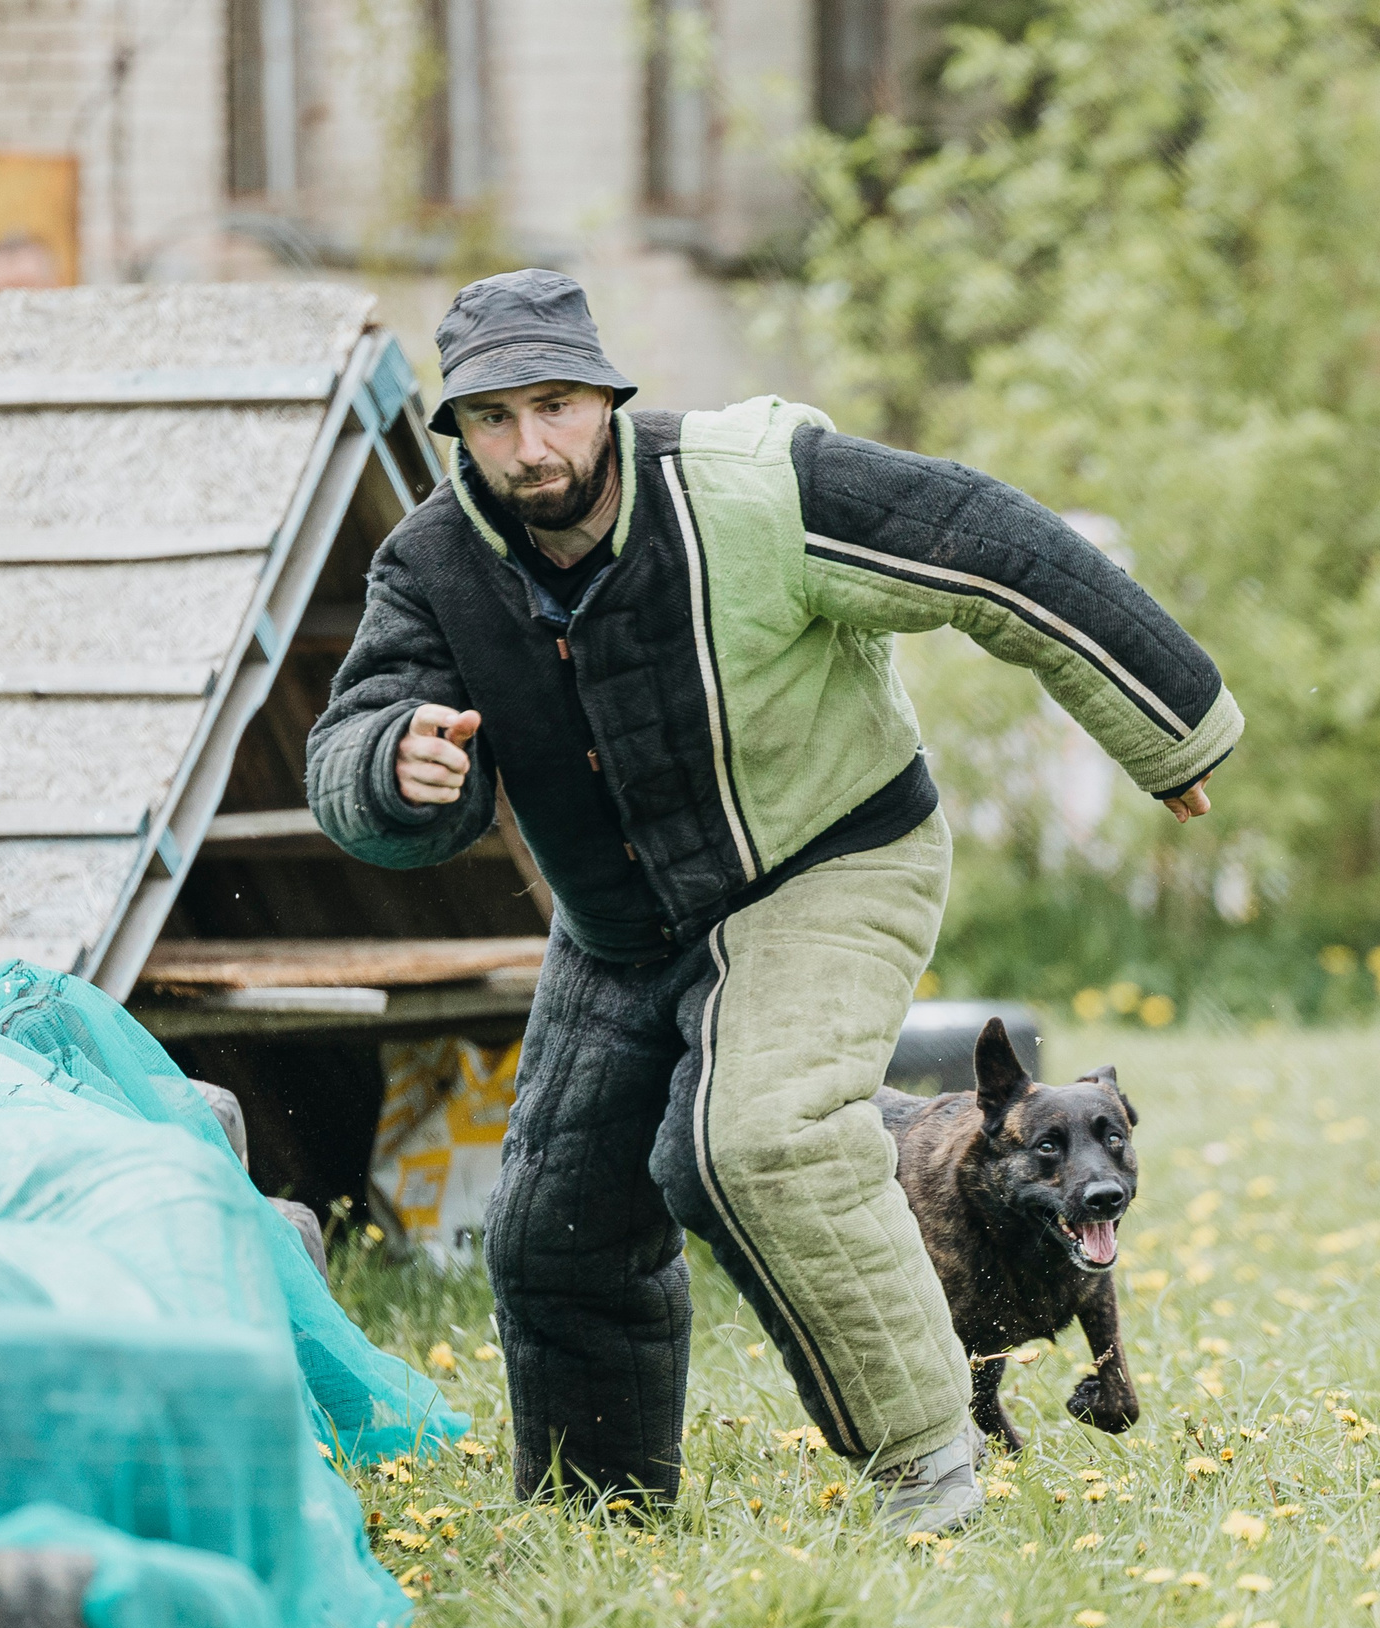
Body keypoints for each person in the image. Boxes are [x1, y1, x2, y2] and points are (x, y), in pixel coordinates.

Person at [306, 270, 1238, 1534]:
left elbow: (984, 543)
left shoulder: (752, 488)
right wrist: (394, 764)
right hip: (623, 924)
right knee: (551, 1226)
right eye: (494, 420)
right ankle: (601, 1518)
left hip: (829, 857)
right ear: (457, 432)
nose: (532, 449)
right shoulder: (431, 566)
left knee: (751, 1141)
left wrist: (1170, 724)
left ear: (608, 397)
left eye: (558, 407)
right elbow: (346, 743)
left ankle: (928, 1477)